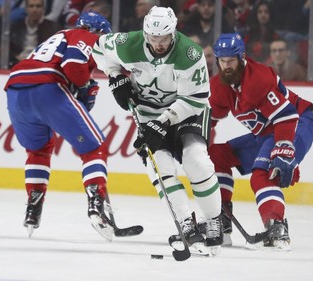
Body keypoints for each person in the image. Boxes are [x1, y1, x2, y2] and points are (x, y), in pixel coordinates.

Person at [92, 6, 224, 254]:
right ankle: (186, 224)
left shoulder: (190, 53)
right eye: (154, 38)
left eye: (164, 38)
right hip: (149, 113)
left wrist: (163, 121)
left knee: (196, 161)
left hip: (188, 110)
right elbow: (98, 48)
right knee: (160, 166)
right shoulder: (127, 43)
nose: (159, 44)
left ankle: (212, 220)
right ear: (146, 33)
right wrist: (114, 75)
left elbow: (195, 99)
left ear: (173, 33)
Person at [4, 11, 114, 239]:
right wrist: (84, 85)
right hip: (47, 86)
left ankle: (33, 208)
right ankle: (96, 204)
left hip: (15, 89)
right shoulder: (86, 36)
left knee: (38, 150)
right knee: (95, 148)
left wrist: (80, 85)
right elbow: (73, 64)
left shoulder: (56, 37)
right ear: (97, 32)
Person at [208, 33, 313, 249]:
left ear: (242, 57)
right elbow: (208, 120)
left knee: (262, 175)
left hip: (295, 122)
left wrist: (284, 150)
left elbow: (286, 117)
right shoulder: (220, 85)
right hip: (267, 132)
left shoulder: (257, 79)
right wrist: (193, 142)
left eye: (231, 60)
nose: (226, 66)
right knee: (215, 155)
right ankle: (222, 219)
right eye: (222, 61)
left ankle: (277, 227)